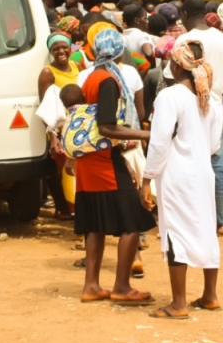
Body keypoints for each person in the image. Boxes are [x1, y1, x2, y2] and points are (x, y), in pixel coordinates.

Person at [142, 41, 223, 319]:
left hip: (177, 174)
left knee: (175, 232)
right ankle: (210, 295)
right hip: (203, 172)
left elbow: (159, 142)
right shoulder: (211, 100)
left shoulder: (170, 96)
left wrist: (147, 178)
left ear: (177, 66)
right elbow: (213, 145)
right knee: (205, 229)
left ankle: (179, 304)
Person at [75, 28, 154, 305]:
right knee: (133, 220)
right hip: (104, 161)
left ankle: (92, 286)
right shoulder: (108, 80)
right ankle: (121, 286)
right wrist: (144, 134)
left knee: (95, 225)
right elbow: (107, 126)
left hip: (90, 160)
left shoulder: (91, 78)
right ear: (120, 52)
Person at [176, 0, 223, 231]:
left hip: (191, 108)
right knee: (216, 166)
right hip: (216, 107)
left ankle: (195, 218)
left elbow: (175, 75)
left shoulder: (185, 39)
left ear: (187, 15)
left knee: (189, 163)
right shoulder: (222, 38)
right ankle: (221, 220)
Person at [38, 32, 80, 220]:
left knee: (78, 171)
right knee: (66, 172)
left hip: (79, 126)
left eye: (64, 47)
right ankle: (73, 210)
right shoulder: (48, 73)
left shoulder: (76, 66)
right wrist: (53, 136)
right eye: (56, 48)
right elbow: (45, 106)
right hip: (60, 130)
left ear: (71, 48)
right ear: (51, 51)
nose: (61, 51)